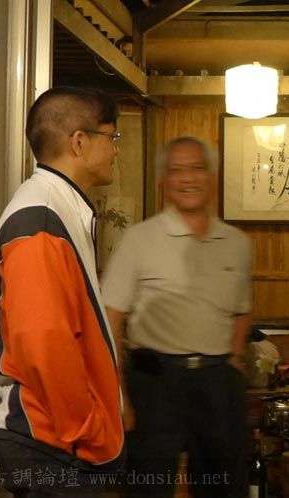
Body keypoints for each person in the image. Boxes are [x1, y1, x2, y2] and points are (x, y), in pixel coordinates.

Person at [0, 86, 125, 497]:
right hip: (51, 442)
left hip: (55, 440)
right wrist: (87, 427)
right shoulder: (42, 220)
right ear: (79, 142)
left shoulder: (56, 206)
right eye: (111, 136)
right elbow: (43, 343)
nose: (116, 150)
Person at [101, 136, 251, 498]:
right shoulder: (139, 239)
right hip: (154, 383)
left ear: (211, 175)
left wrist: (233, 361)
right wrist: (119, 395)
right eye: (176, 170)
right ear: (163, 181)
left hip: (217, 383)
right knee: (147, 487)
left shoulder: (237, 242)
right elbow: (110, 319)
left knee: (224, 487)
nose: (188, 178)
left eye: (197, 168)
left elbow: (242, 310)